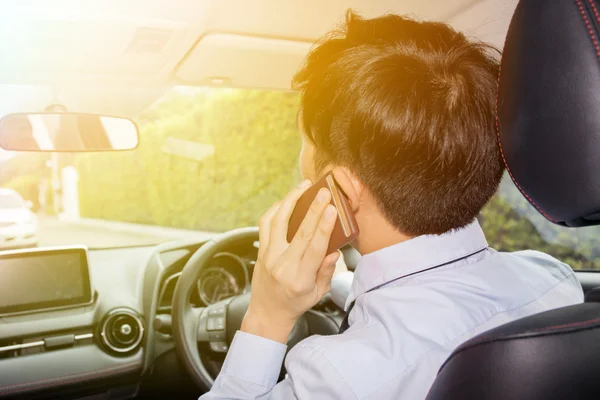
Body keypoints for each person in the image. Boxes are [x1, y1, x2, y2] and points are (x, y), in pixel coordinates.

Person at [201, 12, 583, 400]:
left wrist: (268, 313)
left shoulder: (337, 378)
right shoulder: (553, 283)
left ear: (343, 191)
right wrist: (338, 285)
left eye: (304, 142)